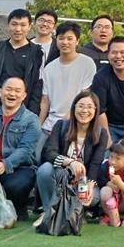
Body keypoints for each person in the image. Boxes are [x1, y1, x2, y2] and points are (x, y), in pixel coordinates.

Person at [36, 91, 108, 219]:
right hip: (60, 178)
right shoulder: (61, 126)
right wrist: (70, 162)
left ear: (96, 110)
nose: (84, 110)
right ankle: (49, 212)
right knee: (45, 169)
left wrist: (90, 184)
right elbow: (48, 153)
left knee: (93, 198)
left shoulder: (101, 134)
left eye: (89, 107)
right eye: (80, 106)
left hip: (82, 182)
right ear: (74, 108)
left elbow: (96, 164)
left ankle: (72, 212)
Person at [0, 76, 41, 218]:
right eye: (8, 89)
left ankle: (19, 207)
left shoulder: (31, 119)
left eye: (17, 91)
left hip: (20, 168)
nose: (12, 94)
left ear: (24, 96)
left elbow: (25, 150)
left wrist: (5, 164)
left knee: (16, 185)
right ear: (0, 92)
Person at [0, 8, 44, 114]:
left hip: (22, 111)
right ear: (8, 25)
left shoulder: (37, 53)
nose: (18, 29)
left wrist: (31, 113)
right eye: (14, 24)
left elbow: (37, 87)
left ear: (29, 27)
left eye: (23, 25)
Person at [40, 21, 97, 135]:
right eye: (61, 38)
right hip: (50, 126)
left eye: (70, 38)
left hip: (75, 125)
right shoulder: (49, 68)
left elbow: (85, 95)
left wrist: (68, 122)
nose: (65, 42)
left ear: (77, 41)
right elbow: (45, 100)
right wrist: (38, 125)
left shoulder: (87, 63)